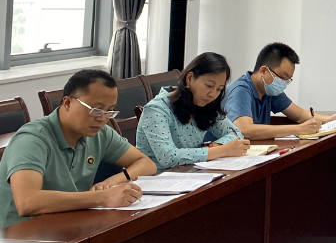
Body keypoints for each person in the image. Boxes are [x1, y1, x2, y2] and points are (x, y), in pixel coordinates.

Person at [0, 69, 157, 228]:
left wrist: (113, 181)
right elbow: (27, 202)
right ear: (67, 103)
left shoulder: (100, 134)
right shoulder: (32, 139)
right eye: (96, 110)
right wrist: (103, 197)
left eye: (109, 111)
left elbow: (146, 163)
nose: (102, 118)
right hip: (19, 234)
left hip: (68, 224)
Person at [137, 52, 251, 170]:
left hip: (191, 174)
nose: (213, 94)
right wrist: (223, 150)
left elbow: (236, 133)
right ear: (190, 78)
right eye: (209, 86)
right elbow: (168, 157)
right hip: (158, 177)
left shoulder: (205, 104)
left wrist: (212, 146)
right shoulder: (157, 109)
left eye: (219, 89)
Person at [223, 42, 336, 139]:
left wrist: (330, 119)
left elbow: (299, 114)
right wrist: (298, 129)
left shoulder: (269, 90)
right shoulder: (240, 90)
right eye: (282, 77)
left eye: (288, 80)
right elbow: (244, 130)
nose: (283, 83)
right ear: (263, 71)